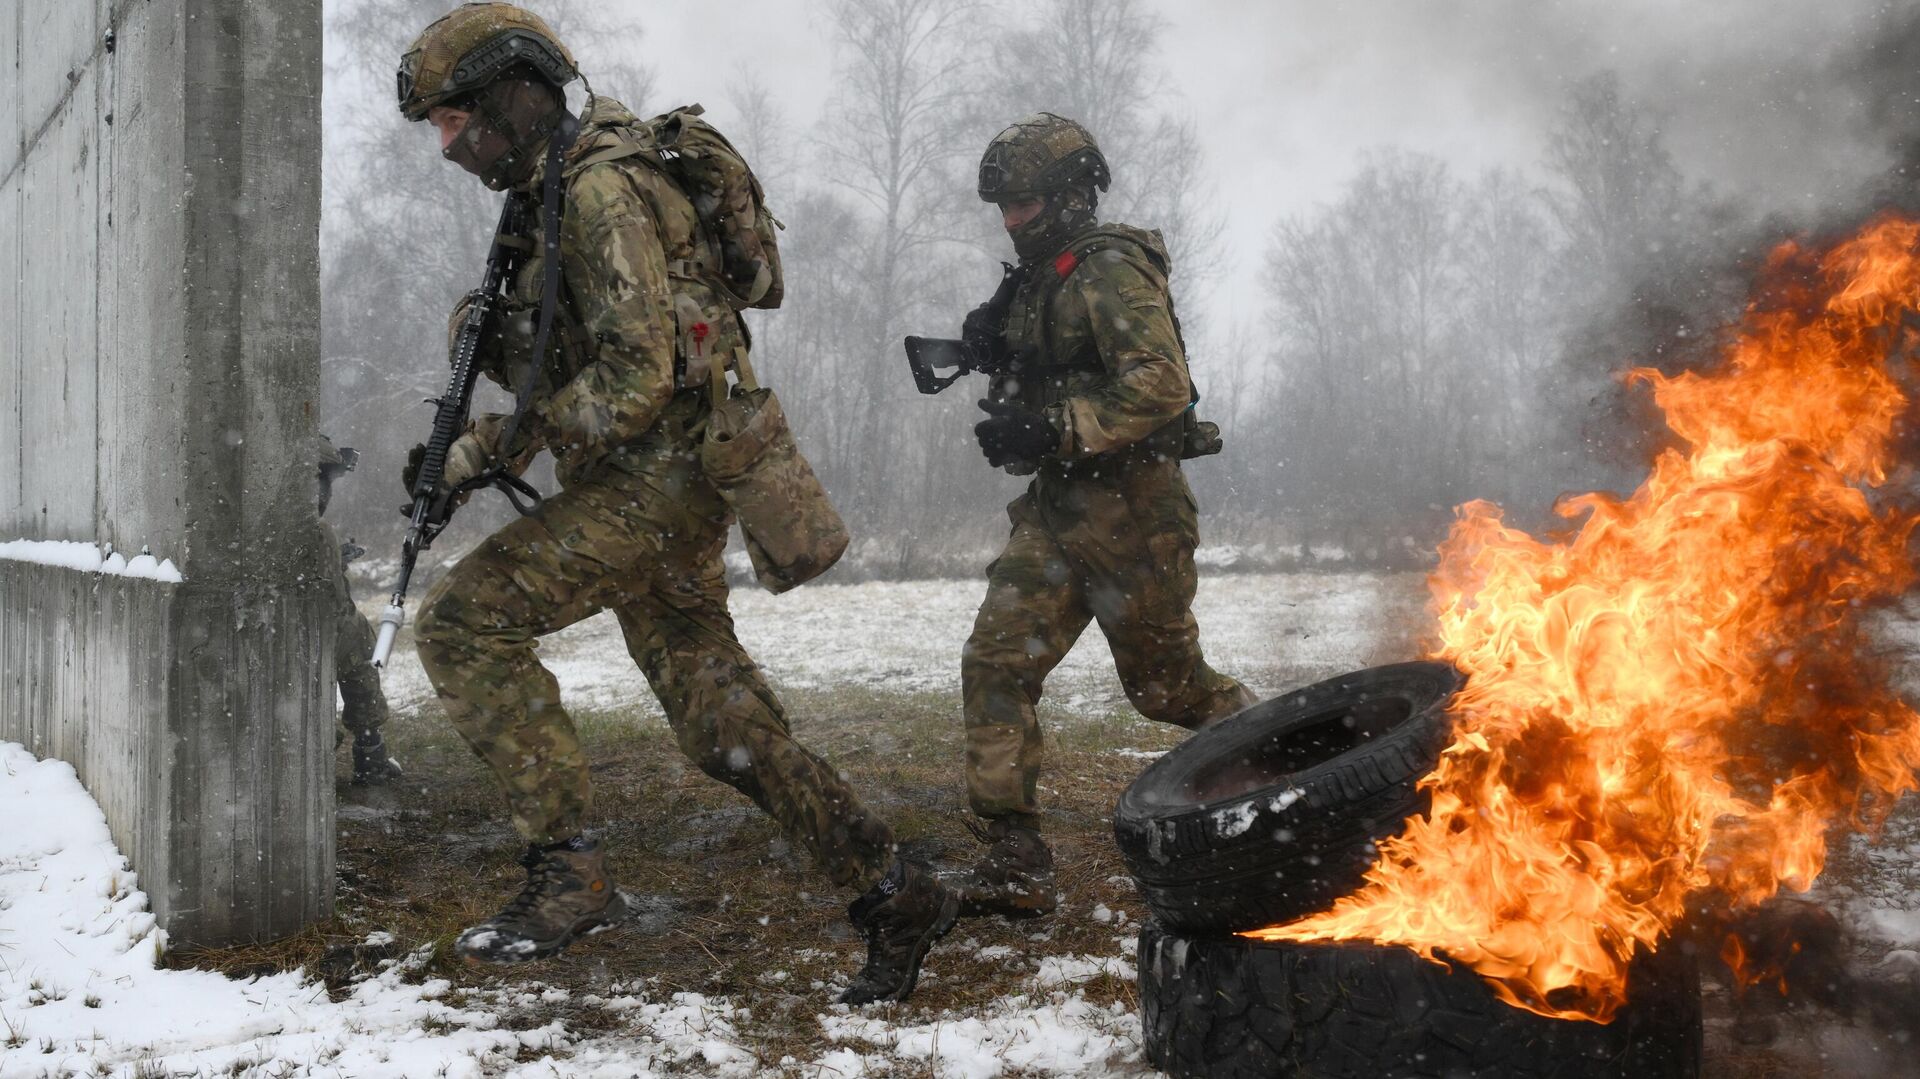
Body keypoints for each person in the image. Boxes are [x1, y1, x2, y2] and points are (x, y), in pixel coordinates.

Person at [394, 3, 955, 1002]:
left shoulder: (601, 190)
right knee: (719, 723)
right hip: (661, 486)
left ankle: (570, 874)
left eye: (452, 119)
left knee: (463, 622)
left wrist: (489, 446)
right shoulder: (547, 190)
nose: (446, 146)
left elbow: (637, 377)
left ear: (509, 97)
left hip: (654, 484)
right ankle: (892, 887)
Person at [954, 114, 1257, 919]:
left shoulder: (1112, 267)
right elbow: (1056, 364)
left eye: (1022, 204)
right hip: (1056, 512)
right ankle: (1013, 856)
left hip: (1134, 515)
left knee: (1169, 690)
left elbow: (1161, 385)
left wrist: (1051, 425)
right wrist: (995, 350)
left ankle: (1289, 769)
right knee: (995, 664)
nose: (1011, 221)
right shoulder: (1041, 275)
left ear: (1070, 194)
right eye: (1004, 209)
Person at [317, 435, 401, 785]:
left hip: (318, 632)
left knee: (359, 642)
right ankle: (368, 753)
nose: (327, 491)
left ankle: (369, 751)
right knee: (359, 642)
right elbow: (333, 607)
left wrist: (339, 560)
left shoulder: (313, 528)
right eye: (326, 479)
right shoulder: (316, 528)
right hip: (320, 633)